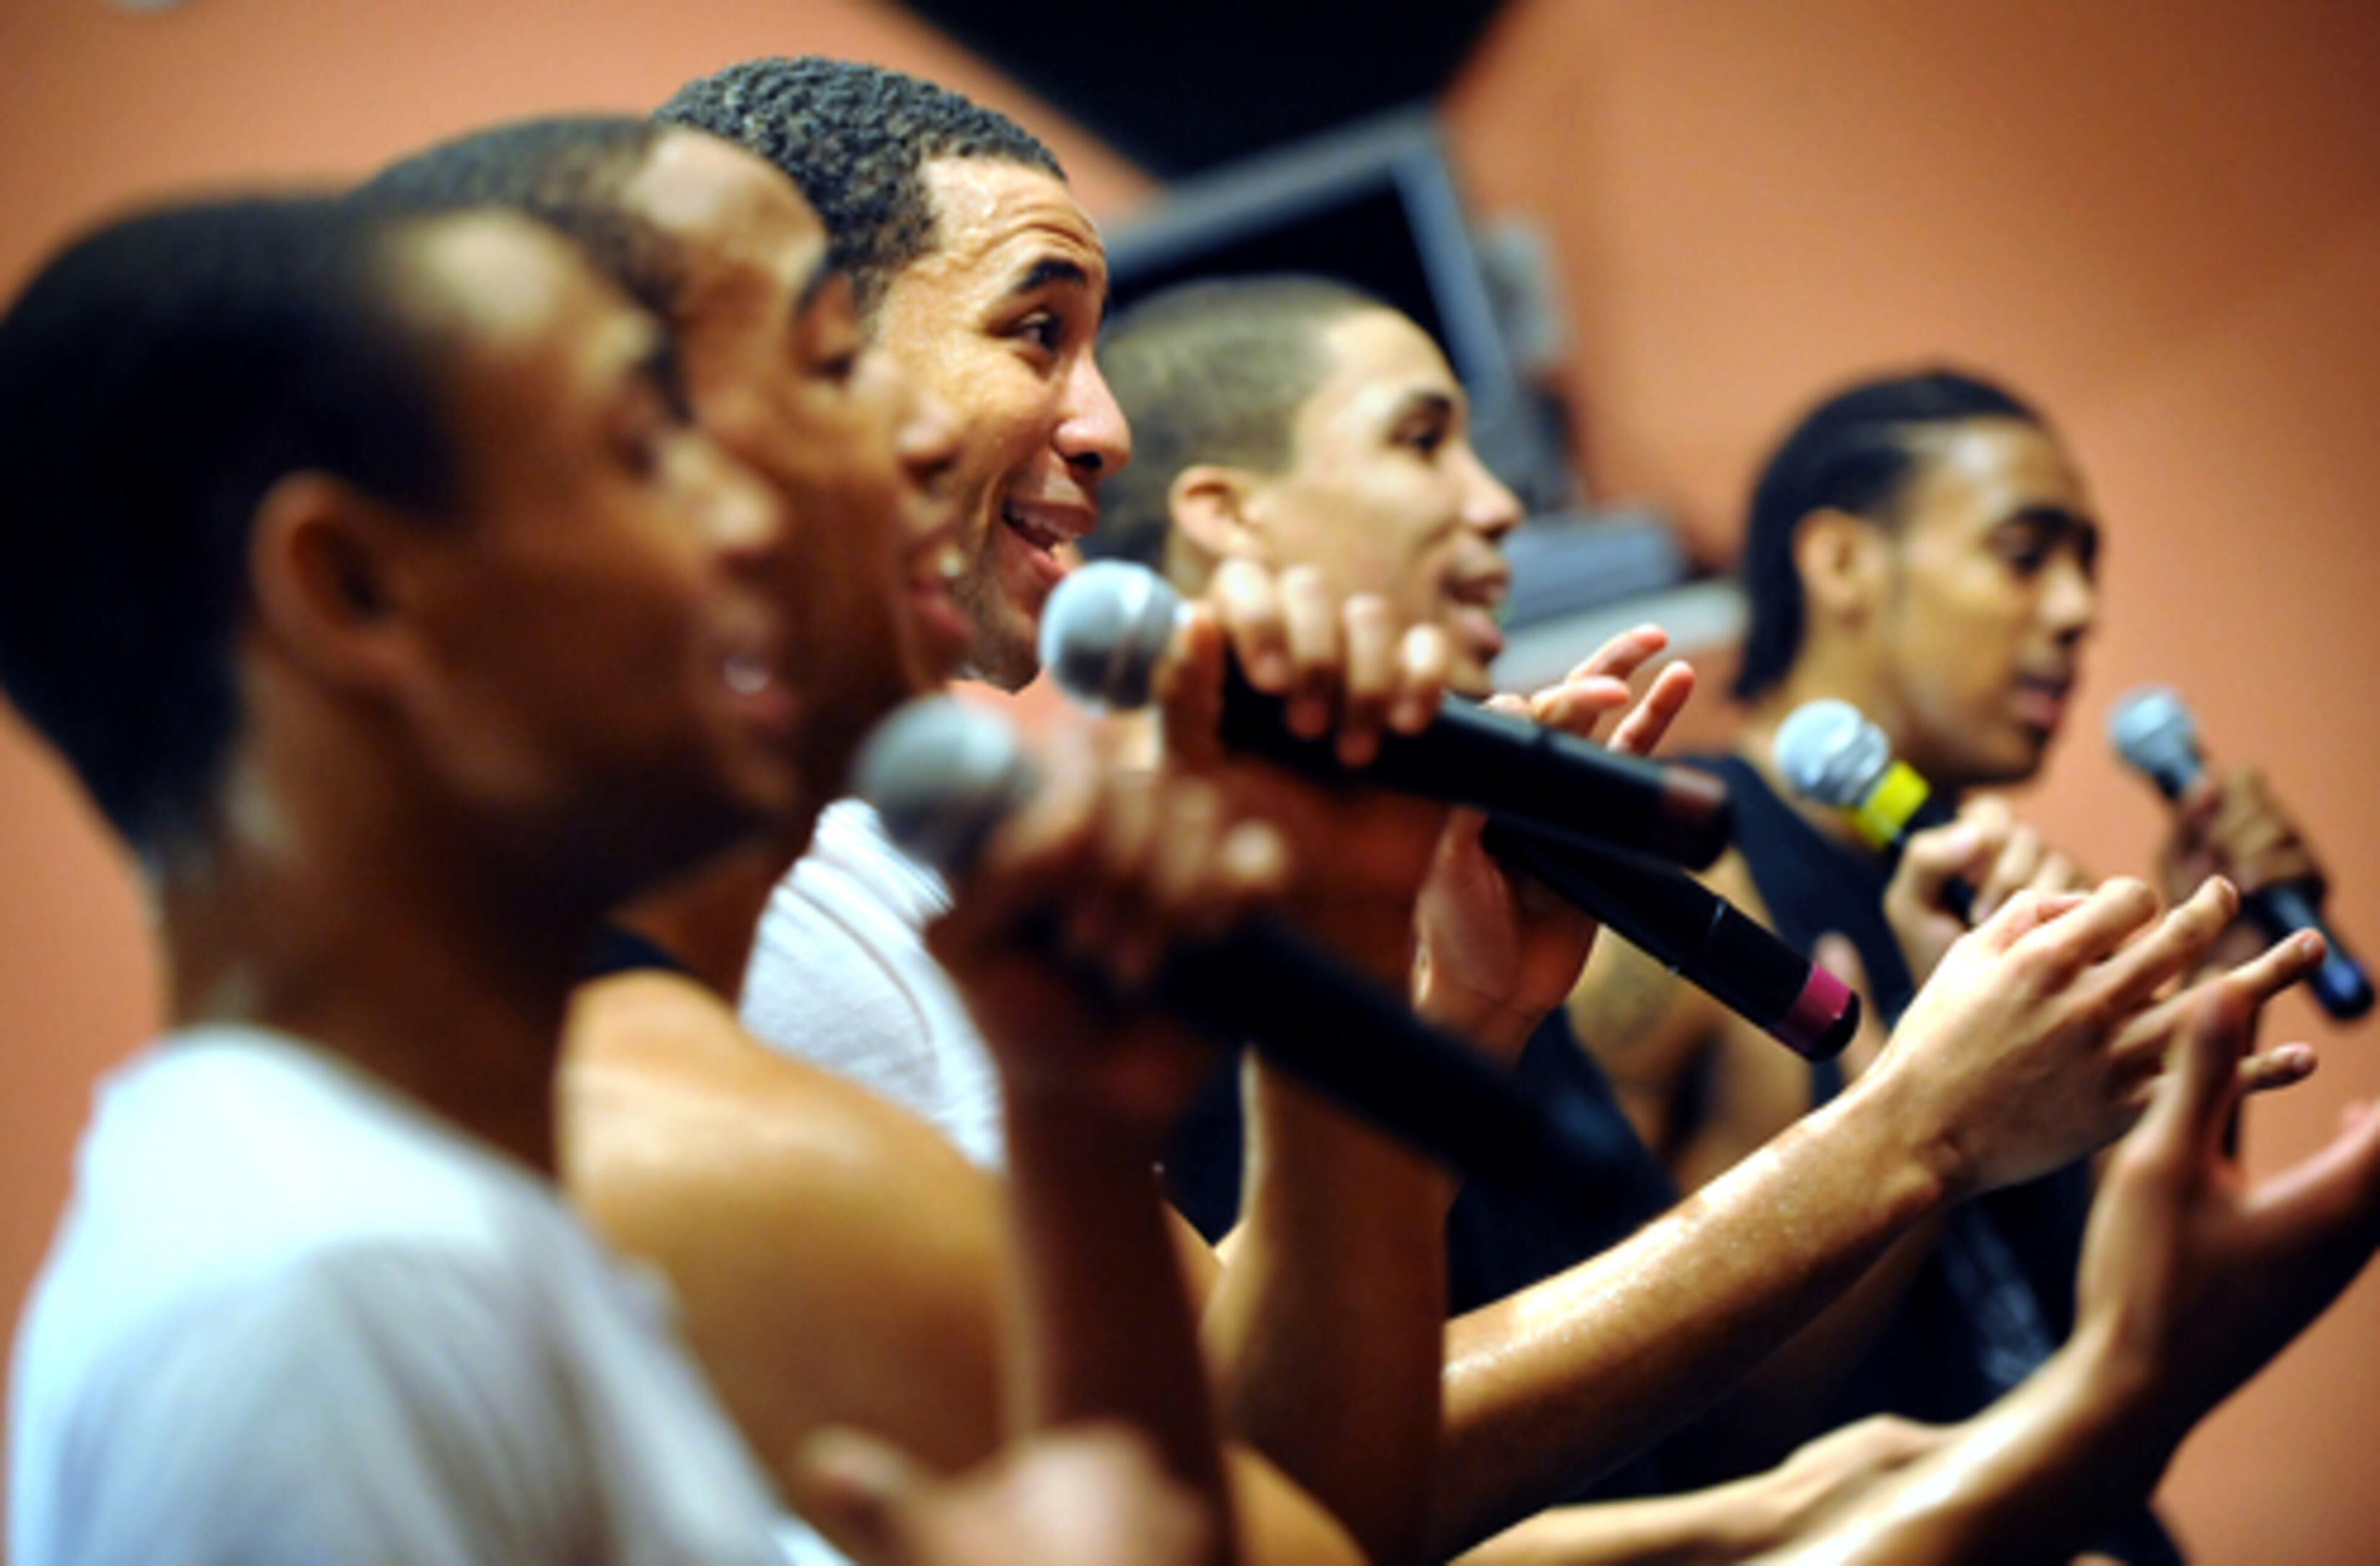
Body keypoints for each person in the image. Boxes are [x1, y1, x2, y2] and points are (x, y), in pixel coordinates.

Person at [0, 188, 1259, 1566]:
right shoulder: (323, 1290)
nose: (752, 520)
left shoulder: (435, 1217)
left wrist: (1077, 1125)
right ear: (357, 589)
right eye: (647, 453)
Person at [1564, 370, 2334, 1556]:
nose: (2077, 610)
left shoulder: (2006, 892)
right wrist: (1925, 1110)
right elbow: (1633, 1439)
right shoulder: (1676, 888)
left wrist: (2207, 1016)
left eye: (2086, 567)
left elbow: (2121, 1327)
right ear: (1841, 564)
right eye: (2026, 556)